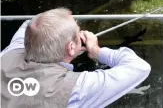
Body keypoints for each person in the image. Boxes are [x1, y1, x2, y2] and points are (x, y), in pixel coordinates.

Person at [1, 8, 151, 108]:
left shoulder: (11, 51)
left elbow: (31, 24)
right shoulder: (74, 89)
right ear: (71, 48)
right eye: (78, 32)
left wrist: (64, 38)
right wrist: (96, 51)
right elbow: (139, 67)